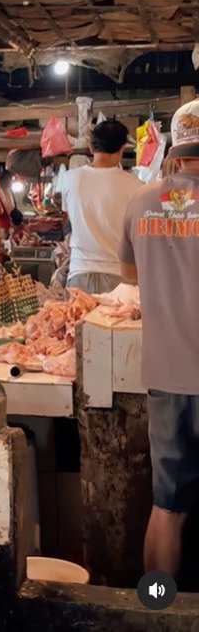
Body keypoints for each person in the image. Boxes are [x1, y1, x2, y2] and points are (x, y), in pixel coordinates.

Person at [119, 98, 199, 578]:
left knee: (166, 508)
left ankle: (156, 613)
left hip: (168, 380)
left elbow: (130, 279)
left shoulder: (142, 203)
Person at [61, 119, 142, 293]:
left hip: (79, 274)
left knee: (76, 321)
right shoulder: (137, 187)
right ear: (122, 149)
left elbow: (69, 219)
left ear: (91, 147)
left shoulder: (70, 179)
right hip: (120, 279)